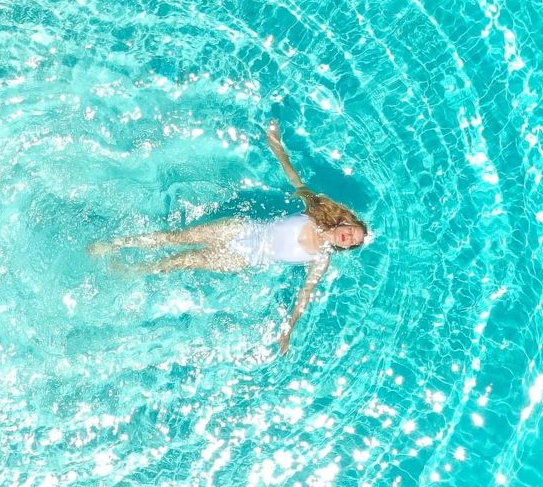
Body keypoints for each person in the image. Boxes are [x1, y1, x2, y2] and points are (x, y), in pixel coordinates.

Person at [92, 122, 371, 354]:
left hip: (242, 258)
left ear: (343, 246)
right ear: (345, 222)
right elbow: (294, 176)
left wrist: (288, 332)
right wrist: (275, 143)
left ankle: (133, 271)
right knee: (174, 237)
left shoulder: (321, 259)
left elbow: (304, 297)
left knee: (183, 261)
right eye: (351, 232)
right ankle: (114, 245)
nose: (348, 238)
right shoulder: (315, 210)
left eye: (351, 242)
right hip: (242, 229)